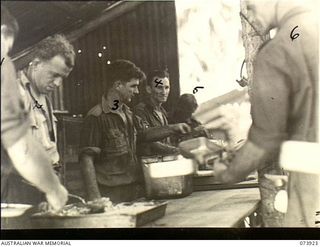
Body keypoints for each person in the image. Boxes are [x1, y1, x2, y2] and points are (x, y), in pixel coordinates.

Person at [213, 0, 319, 227]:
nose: (249, 17)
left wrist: (227, 172)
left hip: (311, 180)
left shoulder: (277, 51)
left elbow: (265, 138)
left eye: (249, 6)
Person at [79, 60, 191, 203]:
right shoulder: (96, 117)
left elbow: (144, 135)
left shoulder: (128, 113)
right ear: (118, 85)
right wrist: (95, 198)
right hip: (111, 194)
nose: (137, 91)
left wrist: (173, 128)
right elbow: (86, 159)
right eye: (133, 86)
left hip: (132, 189)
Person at [1, 6, 68, 210]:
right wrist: (54, 189)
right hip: (19, 185)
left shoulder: (42, 96)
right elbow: (22, 147)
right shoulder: (5, 72)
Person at [13, 34, 75, 205]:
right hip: (20, 189)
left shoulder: (43, 98)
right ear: (36, 63)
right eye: (54, 75)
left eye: (62, 78)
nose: (57, 83)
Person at [134, 69, 178, 156]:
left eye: (166, 87)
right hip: (148, 164)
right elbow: (147, 141)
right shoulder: (140, 110)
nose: (164, 92)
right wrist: (175, 151)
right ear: (149, 89)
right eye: (159, 87)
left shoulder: (162, 112)